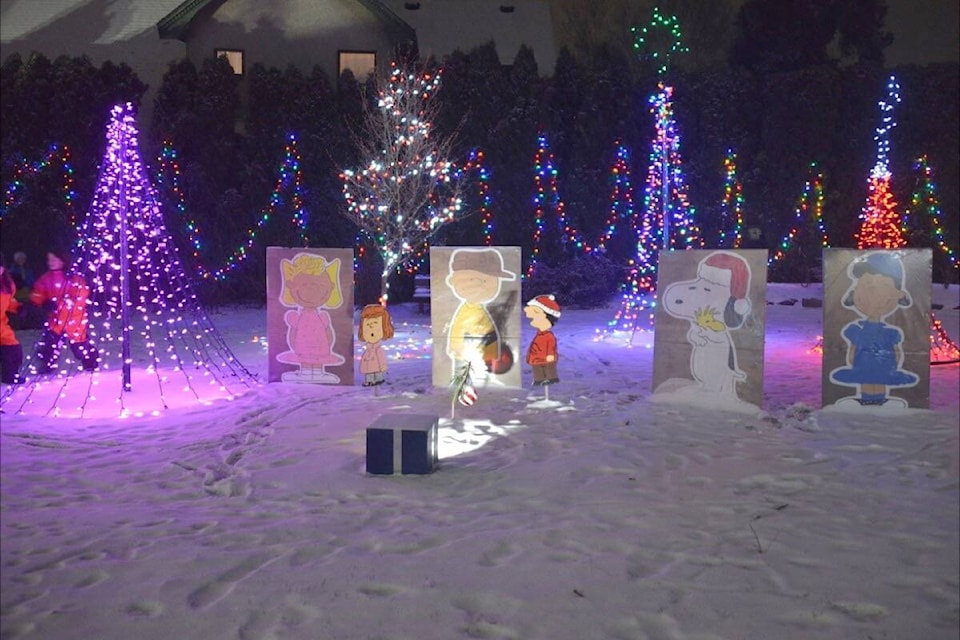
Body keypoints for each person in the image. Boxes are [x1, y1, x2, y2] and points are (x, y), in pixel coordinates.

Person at [29, 248, 99, 374]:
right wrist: (41, 302)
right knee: (49, 346)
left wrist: (60, 304)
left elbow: (80, 296)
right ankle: (46, 368)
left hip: (75, 321)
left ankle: (91, 365)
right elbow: (37, 294)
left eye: (54, 259)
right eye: (49, 259)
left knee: (80, 348)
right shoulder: (45, 278)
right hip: (55, 321)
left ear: (62, 261)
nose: (51, 262)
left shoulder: (74, 278)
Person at [524, 294, 561, 386]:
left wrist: (550, 355)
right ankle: (539, 380)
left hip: (545, 359)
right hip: (537, 359)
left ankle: (551, 378)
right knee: (538, 369)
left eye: (535, 312)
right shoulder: (539, 334)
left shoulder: (548, 336)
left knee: (548, 368)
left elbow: (551, 346)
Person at [358, 304, 394, 387]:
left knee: (377, 371)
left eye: (375, 324)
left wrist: (383, 365)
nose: (371, 330)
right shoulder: (368, 349)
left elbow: (381, 358)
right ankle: (369, 381)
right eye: (367, 325)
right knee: (369, 371)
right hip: (368, 362)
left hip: (377, 364)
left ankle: (378, 379)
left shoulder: (378, 349)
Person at [0, 259, 24, 384]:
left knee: (13, 348)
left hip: (1, 325)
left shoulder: (7, 285)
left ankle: (10, 375)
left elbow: (9, 301)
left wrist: (18, 308)